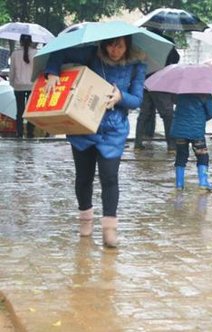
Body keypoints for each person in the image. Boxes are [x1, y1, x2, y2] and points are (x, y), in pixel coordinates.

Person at [44, 36, 147, 248]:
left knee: (109, 178)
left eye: (119, 45)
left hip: (114, 130)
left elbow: (137, 99)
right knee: (84, 177)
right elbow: (60, 52)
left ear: (127, 45)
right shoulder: (92, 54)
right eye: (110, 44)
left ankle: (109, 231)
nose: (114, 50)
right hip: (84, 126)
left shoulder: (137, 63)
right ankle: (85, 223)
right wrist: (52, 72)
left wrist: (121, 97)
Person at [134, 33, 180, 151]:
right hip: (161, 84)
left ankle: (138, 143)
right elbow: (175, 60)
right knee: (168, 114)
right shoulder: (168, 46)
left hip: (146, 83)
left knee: (144, 114)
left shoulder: (147, 48)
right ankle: (172, 145)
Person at [170, 94, 212, 191]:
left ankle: (179, 184)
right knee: (202, 156)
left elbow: (174, 104)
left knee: (181, 156)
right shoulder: (205, 93)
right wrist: (201, 117)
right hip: (196, 131)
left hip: (180, 131)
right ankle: (203, 183)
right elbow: (211, 112)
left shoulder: (179, 92)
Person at [10, 34, 37, 138]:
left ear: (20, 42)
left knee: (20, 110)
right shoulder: (36, 53)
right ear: (31, 42)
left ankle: (19, 132)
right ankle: (30, 133)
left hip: (18, 86)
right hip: (32, 86)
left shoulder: (15, 54)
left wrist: (12, 83)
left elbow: (12, 71)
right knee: (31, 110)